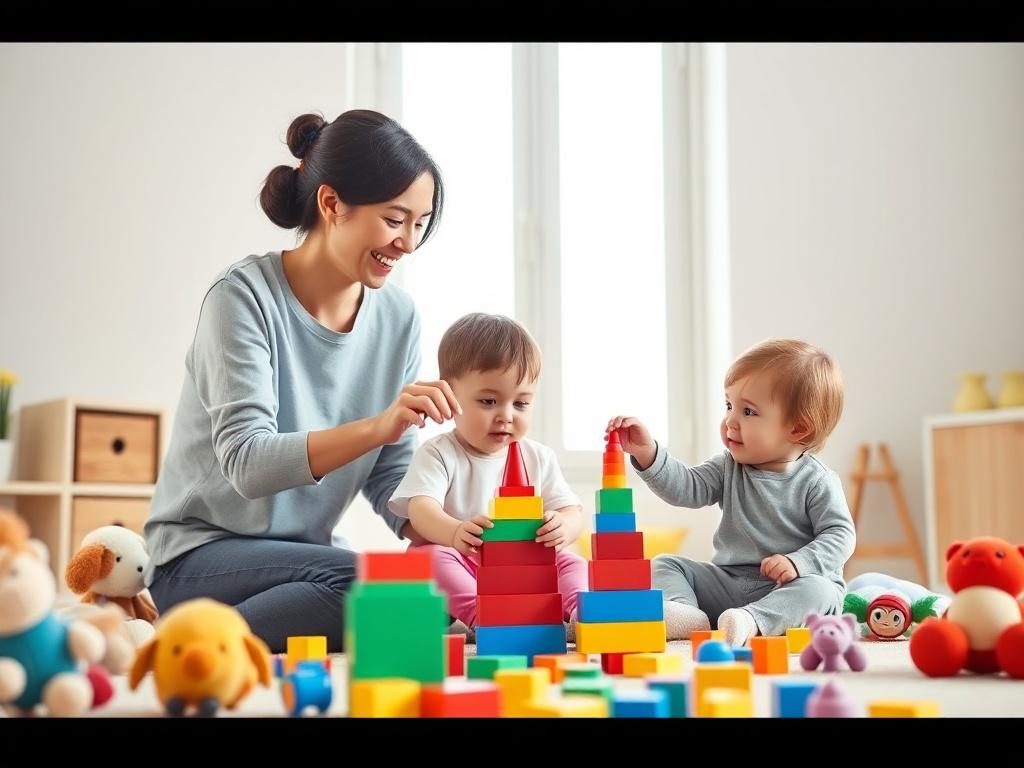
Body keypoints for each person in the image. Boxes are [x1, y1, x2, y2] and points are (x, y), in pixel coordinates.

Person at [144, 109, 459, 652]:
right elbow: (246, 461)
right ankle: (186, 642)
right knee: (368, 587)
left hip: (302, 564)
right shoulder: (242, 297)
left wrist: (457, 534)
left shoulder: (399, 318)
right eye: (393, 219)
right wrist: (378, 426)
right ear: (332, 204)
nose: (408, 242)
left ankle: (207, 638)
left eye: (419, 222)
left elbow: (391, 477)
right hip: (200, 557)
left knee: (427, 601)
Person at [606, 338, 855, 647]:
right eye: (728, 405)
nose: (729, 421)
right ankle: (686, 613)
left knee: (822, 592)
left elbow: (840, 535)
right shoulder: (728, 467)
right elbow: (687, 488)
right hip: (730, 584)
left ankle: (752, 621)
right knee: (665, 563)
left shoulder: (817, 481)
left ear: (797, 429)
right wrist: (649, 453)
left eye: (748, 411)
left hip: (790, 587)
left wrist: (798, 562)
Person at [388, 313, 587, 637]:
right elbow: (420, 509)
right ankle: (484, 616)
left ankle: (579, 613)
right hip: (468, 564)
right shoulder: (439, 452)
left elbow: (572, 511)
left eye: (521, 404)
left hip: (526, 571)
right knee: (429, 559)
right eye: (489, 401)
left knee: (572, 563)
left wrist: (562, 526)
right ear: (450, 396)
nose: (506, 416)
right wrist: (454, 533)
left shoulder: (537, 456)